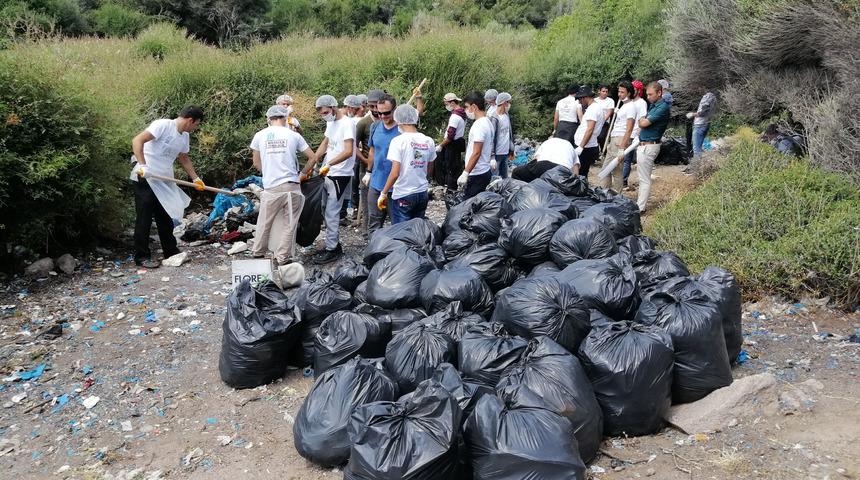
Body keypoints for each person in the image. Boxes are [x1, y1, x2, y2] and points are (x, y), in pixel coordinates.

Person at [130, 106, 205, 268]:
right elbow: (137, 140)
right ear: (190, 120)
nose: (196, 127)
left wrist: (196, 178)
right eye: (197, 124)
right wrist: (143, 165)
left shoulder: (184, 136)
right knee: (144, 217)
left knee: (165, 215)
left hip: (164, 179)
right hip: (146, 176)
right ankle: (142, 257)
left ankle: (170, 251)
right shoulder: (163, 125)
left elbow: (183, 157)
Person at [249, 105, 316, 266]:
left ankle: (258, 253)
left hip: (272, 187)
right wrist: (302, 174)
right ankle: (282, 257)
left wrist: (268, 172)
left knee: (264, 222)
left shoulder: (259, 135)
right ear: (285, 118)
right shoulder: (294, 135)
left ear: (268, 119)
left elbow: (256, 162)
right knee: (289, 224)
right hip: (292, 186)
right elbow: (313, 158)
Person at [310, 95, 355, 264]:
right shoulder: (331, 122)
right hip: (328, 171)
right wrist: (314, 159)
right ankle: (332, 243)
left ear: (333, 107)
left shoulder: (347, 124)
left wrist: (330, 164)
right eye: (321, 114)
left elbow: (348, 151)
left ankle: (333, 249)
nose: (324, 116)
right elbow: (326, 143)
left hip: (340, 173)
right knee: (324, 209)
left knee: (332, 211)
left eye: (326, 112)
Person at [378, 104, 435, 224]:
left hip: (404, 194)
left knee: (402, 230)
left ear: (398, 120)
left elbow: (395, 173)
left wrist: (384, 193)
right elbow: (430, 167)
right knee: (417, 228)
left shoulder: (398, 141)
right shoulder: (428, 140)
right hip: (422, 193)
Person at [365, 94, 400, 235]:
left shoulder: (402, 129)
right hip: (376, 182)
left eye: (386, 113)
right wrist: (368, 172)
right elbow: (372, 151)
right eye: (379, 113)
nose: (382, 116)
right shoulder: (375, 126)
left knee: (397, 224)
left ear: (394, 110)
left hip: (396, 186)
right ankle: (373, 246)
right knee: (374, 222)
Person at [635, 81, 671, 213]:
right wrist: (642, 121)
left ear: (659, 93)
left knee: (644, 179)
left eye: (650, 94)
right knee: (642, 177)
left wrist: (641, 120)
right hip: (645, 145)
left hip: (649, 146)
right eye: (647, 94)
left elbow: (643, 123)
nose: (648, 97)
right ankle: (640, 205)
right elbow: (643, 122)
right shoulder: (654, 105)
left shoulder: (662, 107)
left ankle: (640, 208)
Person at [355, 89, 385, 233]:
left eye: (376, 106)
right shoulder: (363, 123)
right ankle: (367, 234)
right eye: (371, 106)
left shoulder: (388, 121)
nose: (374, 109)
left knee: (384, 204)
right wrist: (367, 162)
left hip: (385, 170)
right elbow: (354, 147)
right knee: (368, 205)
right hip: (367, 170)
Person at [458, 91, 495, 199]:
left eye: (466, 107)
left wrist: (465, 173)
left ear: (474, 107)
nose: (466, 110)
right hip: (484, 170)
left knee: (469, 204)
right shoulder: (487, 122)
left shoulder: (479, 125)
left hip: (477, 173)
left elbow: (477, 152)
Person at [602, 81, 636, 191]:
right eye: (619, 91)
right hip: (615, 138)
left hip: (620, 140)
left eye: (622, 92)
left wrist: (622, 148)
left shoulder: (631, 106)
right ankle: (606, 194)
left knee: (614, 170)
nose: (619, 94)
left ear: (629, 93)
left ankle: (614, 195)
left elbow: (629, 128)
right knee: (607, 169)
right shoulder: (624, 105)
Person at [511, 134, 579, 182]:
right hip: (563, 170)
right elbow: (576, 169)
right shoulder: (571, 147)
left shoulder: (548, 141)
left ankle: (520, 194)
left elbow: (535, 159)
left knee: (516, 172)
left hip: (543, 165)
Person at [436, 92, 467, 192]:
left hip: (452, 145)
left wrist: (441, 145)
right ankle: (454, 189)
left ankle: (451, 191)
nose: (446, 106)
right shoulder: (462, 114)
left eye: (446, 104)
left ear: (452, 103)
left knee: (450, 169)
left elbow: (450, 136)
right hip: (458, 144)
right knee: (456, 168)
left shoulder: (455, 117)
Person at [572, 86, 606, 179]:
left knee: (580, 173)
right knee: (581, 173)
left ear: (585, 97)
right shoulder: (594, 107)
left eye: (580, 99)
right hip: (587, 145)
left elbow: (590, 129)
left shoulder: (593, 109)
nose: (580, 102)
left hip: (585, 146)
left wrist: (581, 147)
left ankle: (580, 188)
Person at [622, 80, 648, 190]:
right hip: (625, 133)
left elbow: (642, 118)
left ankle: (623, 182)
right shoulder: (628, 102)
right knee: (624, 158)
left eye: (634, 89)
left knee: (627, 159)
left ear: (639, 90)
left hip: (633, 134)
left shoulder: (641, 103)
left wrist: (638, 134)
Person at [685, 90, 718, 172]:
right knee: (698, 147)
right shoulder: (713, 98)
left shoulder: (707, 97)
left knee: (696, 149)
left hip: (700, 125)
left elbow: (703, 112)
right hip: (706, 123)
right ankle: (697, 168)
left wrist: (692, 114)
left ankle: (696, 169)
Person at [493, 92, 514, 179]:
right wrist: (492, 157)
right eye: (508, 102)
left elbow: (509, 134)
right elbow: (492, 138)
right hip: (497, 154)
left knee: (505, 178)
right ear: (504, 103)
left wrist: (512, 149)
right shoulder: (494, 118)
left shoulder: (506, 115)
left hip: (505, 153)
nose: (509, 104)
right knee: (494, 179)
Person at [595, 84, 615, 151]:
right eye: (603, 91)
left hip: (604, 123)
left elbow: (609, 112)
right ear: (599, 91)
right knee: (594, 138)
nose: (605, 93)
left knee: (601, 137)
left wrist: (602, 121)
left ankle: (604, 151)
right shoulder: (595, 100)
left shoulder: (610, 101)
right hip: (594, 122)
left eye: (606, 92)